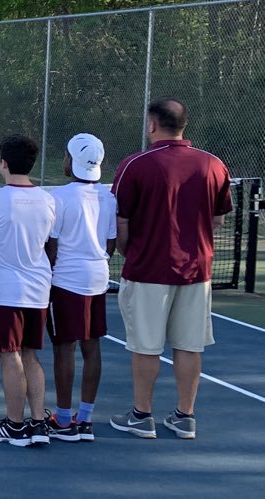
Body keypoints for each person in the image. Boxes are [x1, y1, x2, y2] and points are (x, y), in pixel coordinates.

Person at [110, 99, 231, 440]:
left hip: (148, 271)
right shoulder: (213, 164)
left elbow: (122, 222)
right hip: (197, 273)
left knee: (145, 347)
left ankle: (141, 415)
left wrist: (130, 251)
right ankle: (184, 416)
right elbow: (218, 219)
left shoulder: (135, 165)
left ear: (152, 124)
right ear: (183, 124)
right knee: (190, 345)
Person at [0, 135, 56, 447]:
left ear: (3, 164)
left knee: (10, 357)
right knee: (30, 355)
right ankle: (38, 423)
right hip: (38, 291)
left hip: (6, 292)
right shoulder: (48, 200)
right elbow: (49, 241)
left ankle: (15, 425)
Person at [44, 133, 114, 442]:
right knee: (91, 346)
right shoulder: (109, 197)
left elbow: (51, 244)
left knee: (64, 347)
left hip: (66, 280)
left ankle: (62, 419)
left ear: (71, 161)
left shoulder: (59, 197)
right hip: (98, 277)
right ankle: (84, 419)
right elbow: (110, 244)